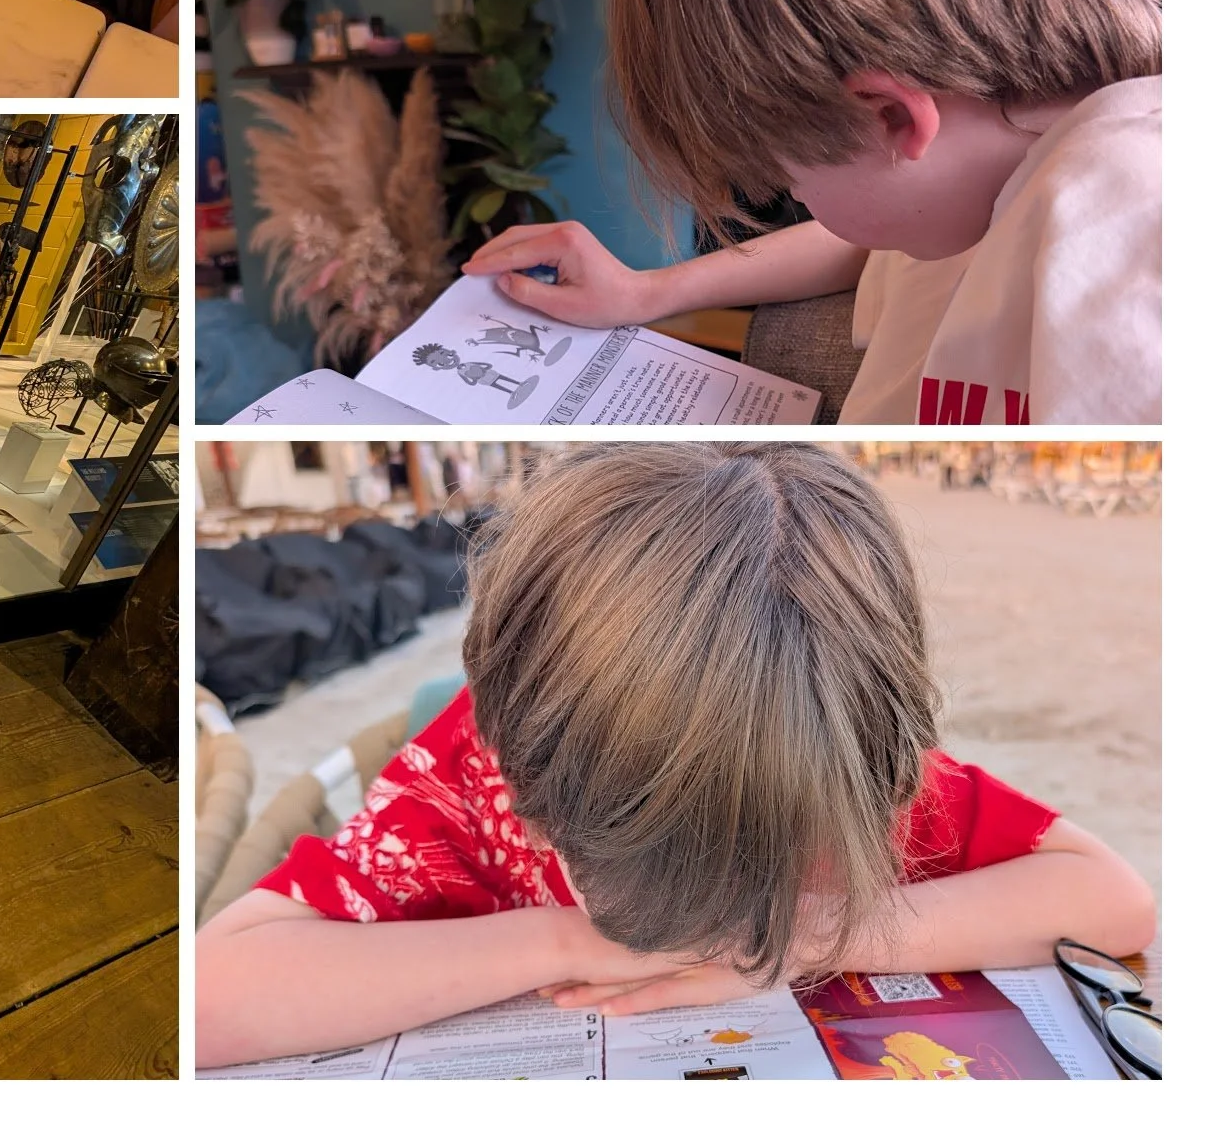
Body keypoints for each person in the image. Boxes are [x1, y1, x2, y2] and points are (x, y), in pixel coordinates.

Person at [197, 441, 1156, 1067]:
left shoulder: (824, 763)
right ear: (523, 789)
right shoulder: (469, 773)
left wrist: (796, 938)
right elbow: (214, 995)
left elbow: (1110, 898)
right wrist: (579, 940)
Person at [464, 0, 1160, 425]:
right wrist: (646, 293)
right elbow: (868, 236)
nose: (795, 197)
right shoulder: (985, 180)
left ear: (890, 117)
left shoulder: (1127, 223)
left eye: (784, 178)